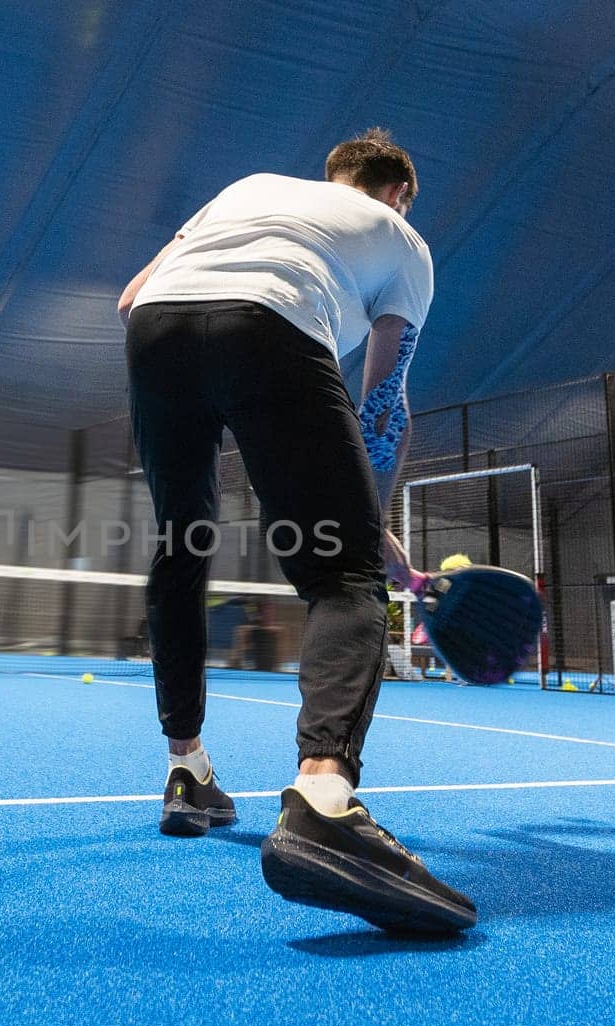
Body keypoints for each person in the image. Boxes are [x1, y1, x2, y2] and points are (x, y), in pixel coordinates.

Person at [118, 128, 475, 932]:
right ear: (395, 195)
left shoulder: (246, 186)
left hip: (158, 333)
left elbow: (131, 296)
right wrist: (366, 518)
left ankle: (188, 772)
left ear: (333, 177)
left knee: (183, 545)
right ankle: (322, 800)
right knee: (344, 576)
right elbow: (382, 399)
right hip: (272, 324)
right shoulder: (403, 242)